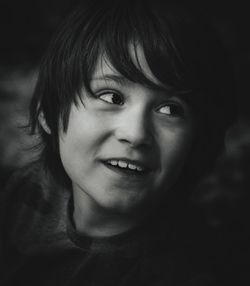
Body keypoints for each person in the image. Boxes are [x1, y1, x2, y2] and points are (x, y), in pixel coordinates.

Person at [0, 0, 236, 285]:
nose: (135, 134)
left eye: (171, 109)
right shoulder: (20, 192)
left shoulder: (180, 273)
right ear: (48, 114)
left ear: (195, 141)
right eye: (112, 97)